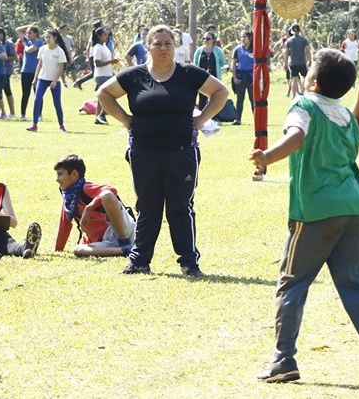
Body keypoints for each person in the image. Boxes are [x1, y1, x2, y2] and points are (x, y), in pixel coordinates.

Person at [250, 48, 359, 384]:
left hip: (316, 210)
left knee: (292, 283)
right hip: (352, 207)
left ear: (315, 81)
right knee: (356, 284)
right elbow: (355, 130)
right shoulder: (344, 114)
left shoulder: (304, 105)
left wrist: (268, 157)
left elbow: (296, 136)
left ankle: (283, 359)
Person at [97, 25, 228, 276]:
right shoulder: (135, 76)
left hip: (181, 151)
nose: (163, 48)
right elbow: (104, 94)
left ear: (175, 46)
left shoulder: (188, 74)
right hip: (144, 151)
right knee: (148, 206)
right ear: (148, 46)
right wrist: (126, 120)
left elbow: (220, 91)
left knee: (180, 207)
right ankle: (139, 261)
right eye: (157, 44)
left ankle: (189, 263)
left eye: (168, 43)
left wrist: (201, 119)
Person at [53, 154, 136, 257]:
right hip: (107, 241)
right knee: (78, 250)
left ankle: (125, 242)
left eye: (60, 174)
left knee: (106, 195)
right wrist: (58, 250)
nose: (57, 179)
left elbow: (111, 191)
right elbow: (64, 226)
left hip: (123, 230)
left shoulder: (85, 188)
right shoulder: (69, 200)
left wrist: (89, 208)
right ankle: (125, 250)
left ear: (74, 174)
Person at [26, 29, 71, 132]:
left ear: (55, 38)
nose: (47, 39)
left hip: (54, 81)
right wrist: (35, 79)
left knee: (57, 103)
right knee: (37, 100)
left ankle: (61, 125)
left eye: (49, 37)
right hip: (42, 79)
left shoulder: (60, 51)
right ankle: (34, 124)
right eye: (46, 37)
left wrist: (55, 80)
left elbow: (61, 68)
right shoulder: (42, 49)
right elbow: (39, 65)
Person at [90, 27, 118, 125]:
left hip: (107, 74)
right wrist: (111, 61)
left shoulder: (104, 46)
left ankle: (98, 117)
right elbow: (97, 63)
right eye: (105, 35)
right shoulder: (97, 47)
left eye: (107, 35)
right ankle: (102, 114)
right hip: (101, 76)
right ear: (99, 36)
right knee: (109, 96)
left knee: (101, 97)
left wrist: (112, 71)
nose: (107, 36)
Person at [193, 31, 226, 110]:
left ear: (213, 40)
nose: (205, 40)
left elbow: (222, 62)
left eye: (208, 39)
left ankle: (215, 115)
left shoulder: (218, 50)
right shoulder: (199, 50)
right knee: (202, 99)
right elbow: (195, 63)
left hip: (214, 78)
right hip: (202, 79)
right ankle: (201, 114)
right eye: (204, 38)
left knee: (215, 98)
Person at [17, 25, 43, 121]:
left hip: (36, 71)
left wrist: (24, 45)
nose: (28, 34)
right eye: (27, 33)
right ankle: (23, 114)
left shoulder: (39, 42)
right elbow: (18, 30)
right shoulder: (26, 40)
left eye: (30, 33)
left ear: (36, 34)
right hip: (25, 71)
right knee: (25, 93)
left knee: (38, 93)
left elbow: (29, 50)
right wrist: (30, 25)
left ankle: (39, 114)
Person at [231, 30, 254, 125]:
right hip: (240, 77)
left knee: (253, 99)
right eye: (241, 37)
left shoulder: (254, 49)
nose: (242, 39)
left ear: (250, 38)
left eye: (244, 37)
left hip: (251, 77)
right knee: (240, 99)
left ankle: (256, 118)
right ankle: (238, 119)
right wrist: (234, 77)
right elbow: (233, 64)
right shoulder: (237, 49)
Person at [284, 22, 311, 97]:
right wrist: (310, 60)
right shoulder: (304, 40)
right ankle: (302, 90)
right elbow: (308, 50)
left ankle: (294, 96)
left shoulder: (289, 41)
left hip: (293, 63)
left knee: (294, 79)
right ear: (299, 30)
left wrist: (285, 63)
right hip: (302, 62)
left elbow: (286, 53)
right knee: (306, 77)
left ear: (292, 31)